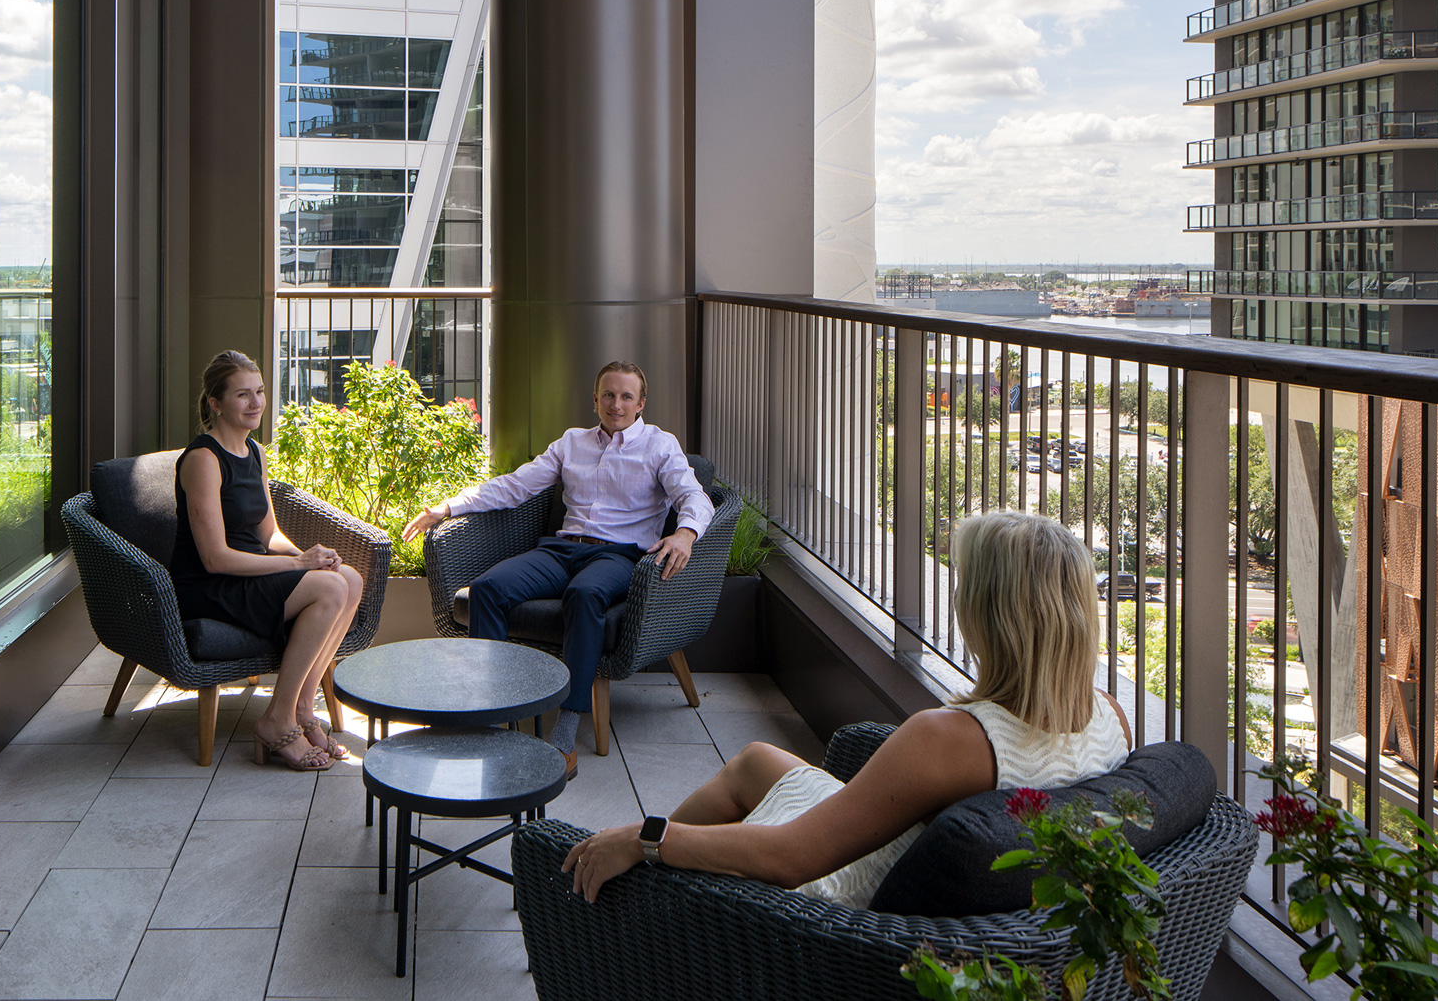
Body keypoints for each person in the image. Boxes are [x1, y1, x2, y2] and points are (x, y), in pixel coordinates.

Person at [561, 510, 1134, 907]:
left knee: (652, 840)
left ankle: (637, 883)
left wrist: (645, 837)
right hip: (922, 863)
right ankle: (643, 874)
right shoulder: (1112, 717)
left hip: (838, 894)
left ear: (989, 615)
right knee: (757, 760)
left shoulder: (951, 740)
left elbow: (792, 857)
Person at [403, 361, 713, 779]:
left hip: (619, 557)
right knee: (488, 588)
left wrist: (686, 534)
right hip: (561, 549)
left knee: (584, 596)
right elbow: (517, 484)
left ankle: (566, 734)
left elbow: (694, 495)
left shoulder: (659, 446)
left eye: (625, 396)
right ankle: (491, 715)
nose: (615, 404)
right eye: (608, 394)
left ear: (641, 403)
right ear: (595, 399)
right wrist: (450, 506)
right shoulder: (571, 443)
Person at [171, 350, 364, 772]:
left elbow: (267, 534)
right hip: (210, 586)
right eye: (243, 395)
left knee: (347, 577)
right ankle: (276, 720)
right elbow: (216, 558)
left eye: (259, 392)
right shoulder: (203, 460)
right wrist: (298, 567)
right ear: (215, 404)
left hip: (251, 573)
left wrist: (306, 556)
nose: (256, 402)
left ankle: (301, 710)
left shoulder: (253, 451)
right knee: (330, 586)